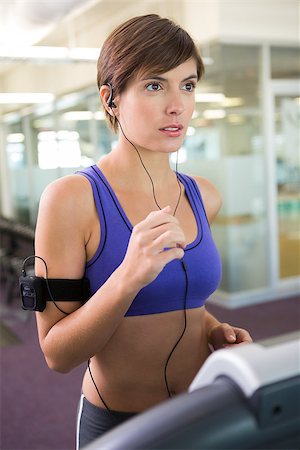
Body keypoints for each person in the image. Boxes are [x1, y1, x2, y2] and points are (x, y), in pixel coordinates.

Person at [34, 14, 253, 450]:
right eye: (155, 85)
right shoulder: (71, 199)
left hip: (201, 413)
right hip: (118, 426)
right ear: (110, 99)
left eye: (187, 85)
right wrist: (128, 276)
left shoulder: (203, 196)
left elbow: (179, 299)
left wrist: (212, 329)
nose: (177, 105)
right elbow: (57, 354)